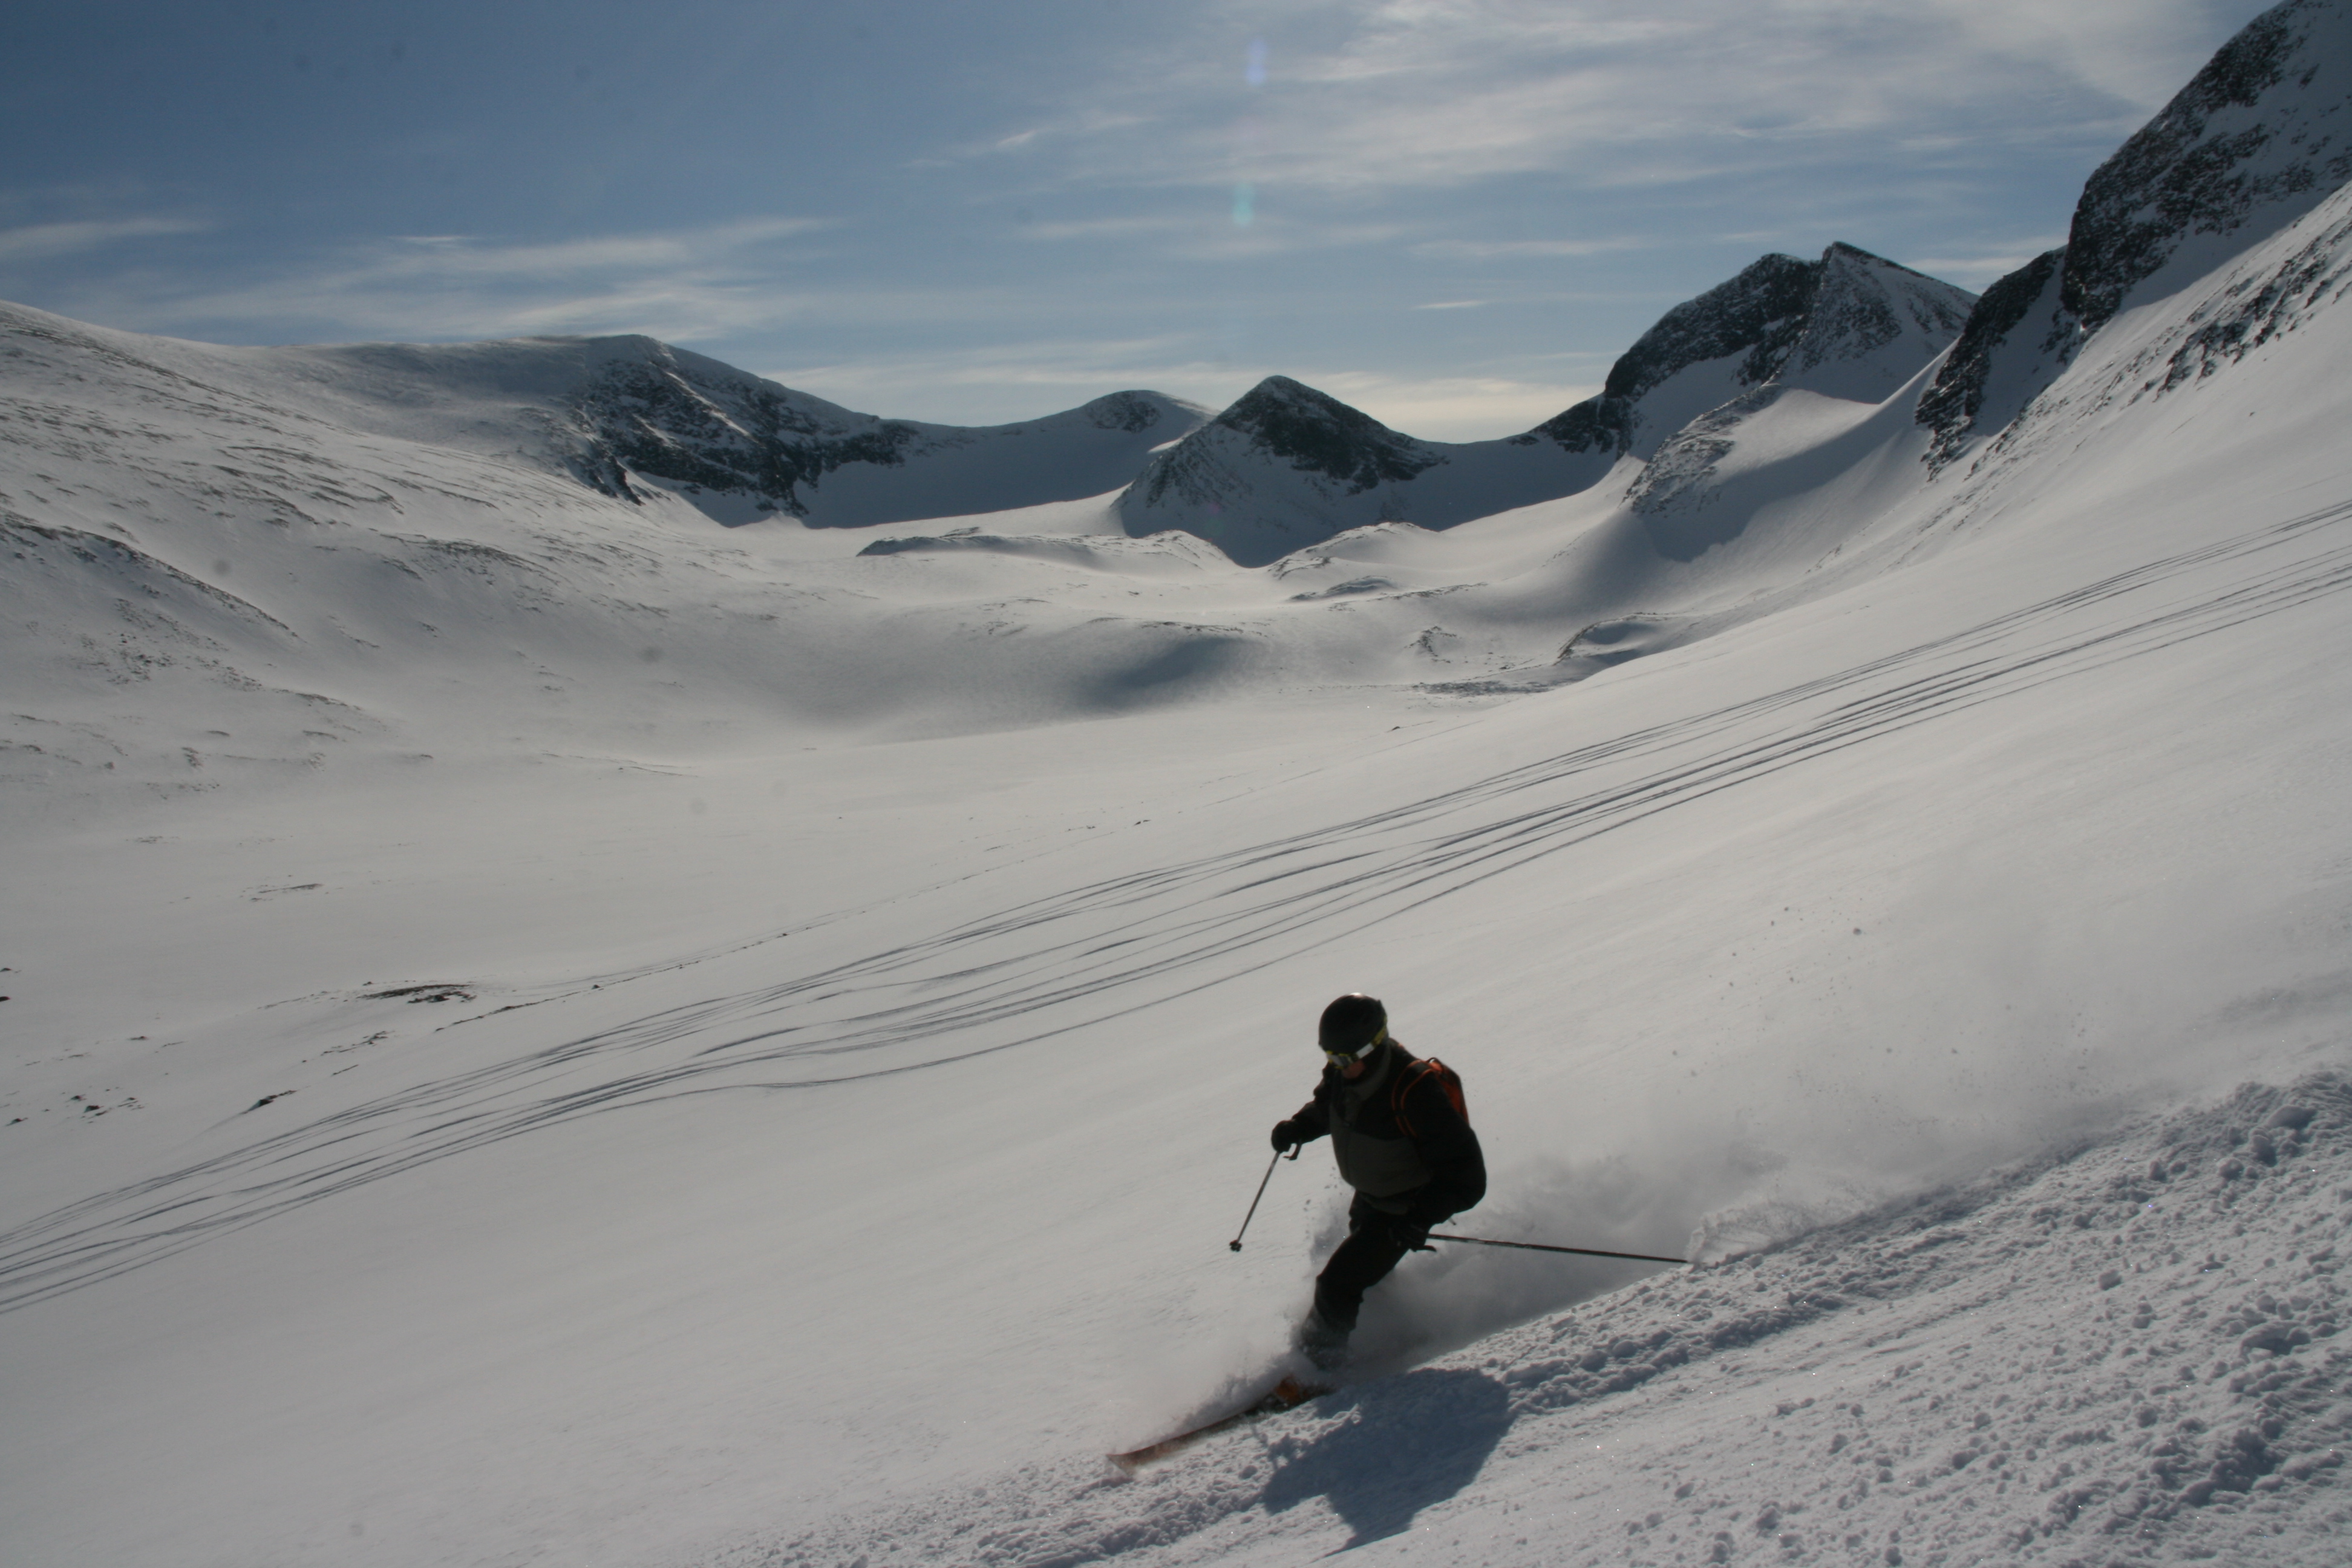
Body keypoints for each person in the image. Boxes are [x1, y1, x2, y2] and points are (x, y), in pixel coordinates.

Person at [1269, 993, 1485, 1370]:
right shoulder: (1343, 1071)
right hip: (1372, 1197)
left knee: (1336, 1286)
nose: (1338, 1067)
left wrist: (1419, 1218)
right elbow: (1329, 1106)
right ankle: (1396, 1332)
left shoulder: (1416, 1092)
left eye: (1346, 1059)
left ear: (1375, 1045)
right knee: (1369, 1277)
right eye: (1331, 1057)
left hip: (1404, 1209)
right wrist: (1299, 1127)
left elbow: (1468, 1177)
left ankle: (1316, 1370)